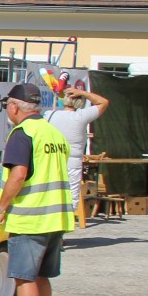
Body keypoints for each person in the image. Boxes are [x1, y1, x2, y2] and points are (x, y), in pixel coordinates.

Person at [0, 82, 76, 296]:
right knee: (42, 276)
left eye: (8, 105)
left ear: (15, 106)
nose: (8, 109)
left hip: (31, 216)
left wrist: (1, 207)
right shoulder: (53, 133)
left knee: (24, 278)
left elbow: (18, 174)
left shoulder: (22, 133)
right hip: (56, 218)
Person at [43, 86, 111, 216]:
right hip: (71, 164)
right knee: (70, 202)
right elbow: (104, 102)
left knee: (49, 199)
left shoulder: (49, 115)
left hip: (51, 162)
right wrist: (83, 93)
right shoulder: (81, 116)